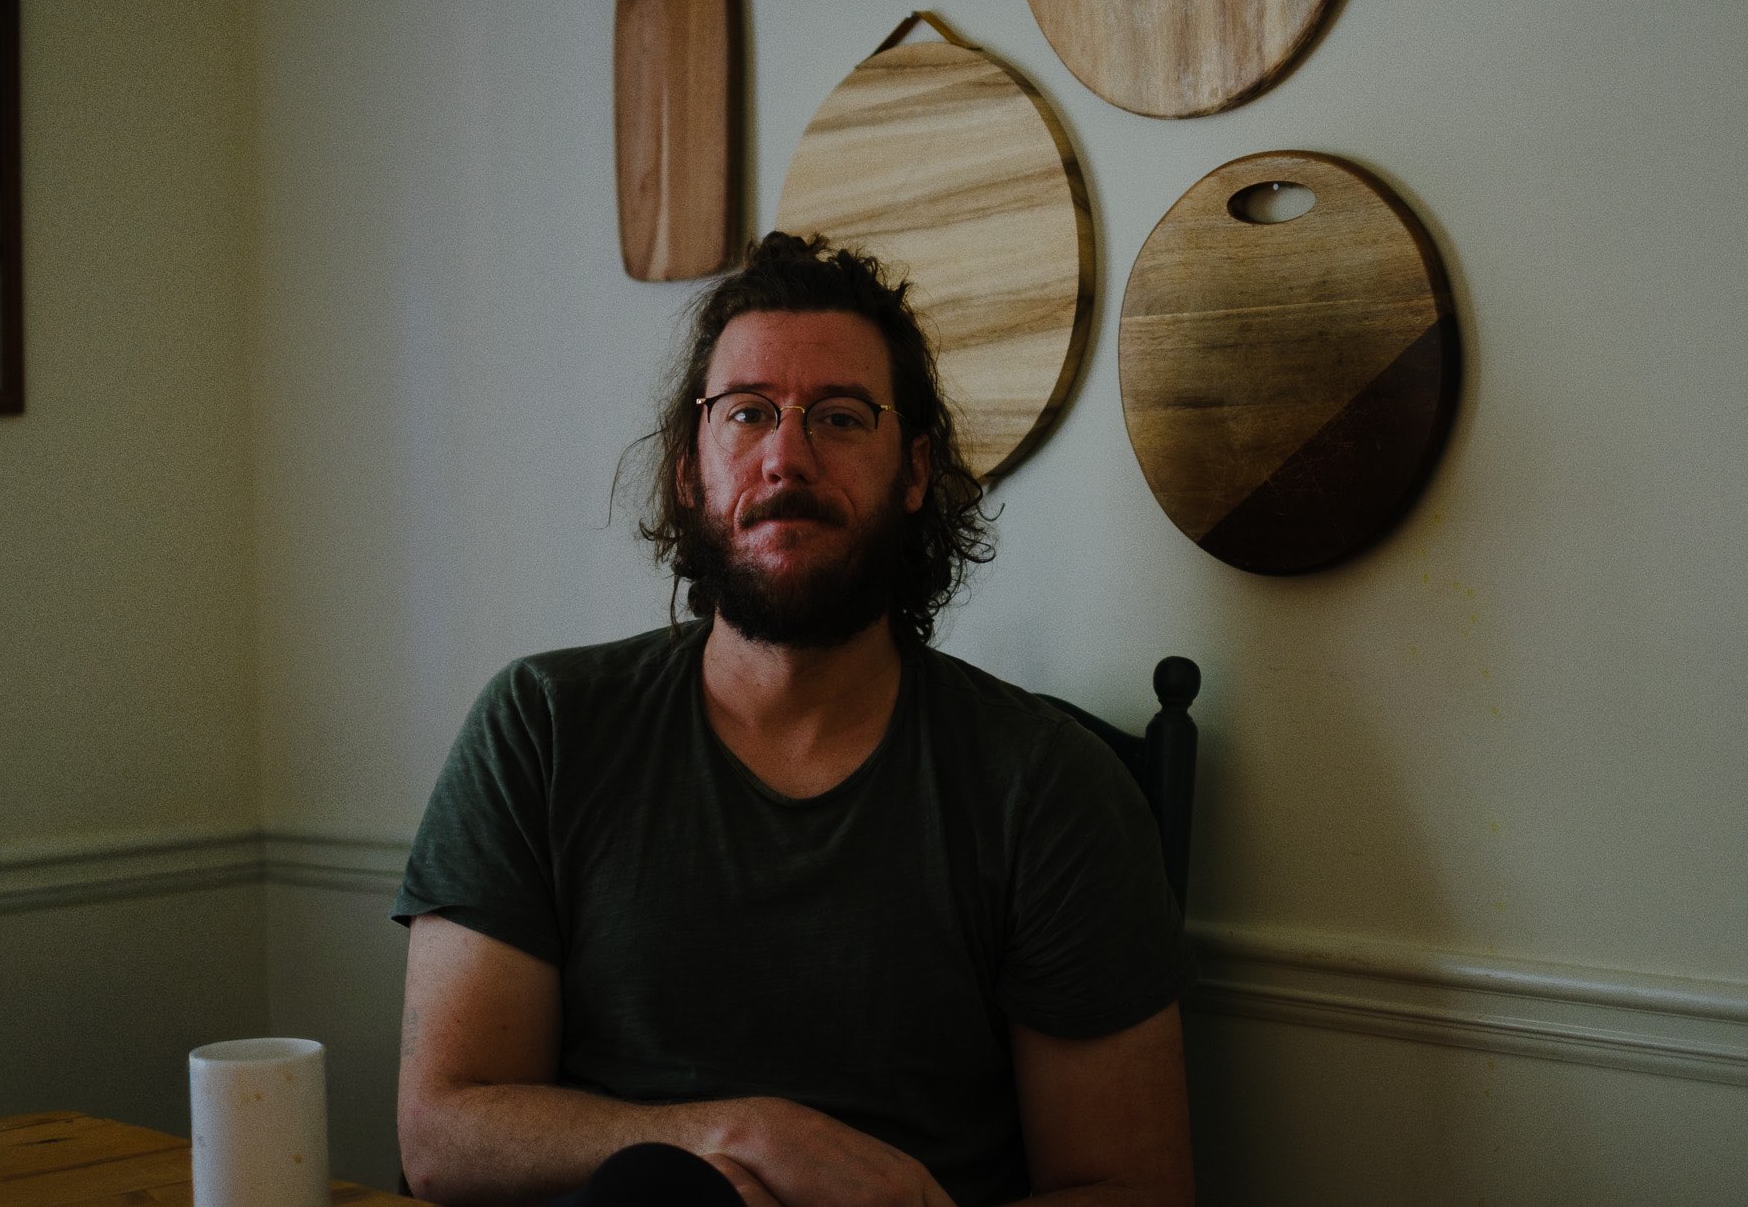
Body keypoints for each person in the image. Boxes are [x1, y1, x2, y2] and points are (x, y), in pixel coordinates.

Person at [394, 232, 1193, 1206]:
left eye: (842, 417)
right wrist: (741, 1137)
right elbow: (441, 1134)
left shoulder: (1047, 786)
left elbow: (1133, 1188)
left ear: (912, 470)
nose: (786, 455)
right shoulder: (541, 728)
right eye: (747, 413)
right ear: (690, 467)